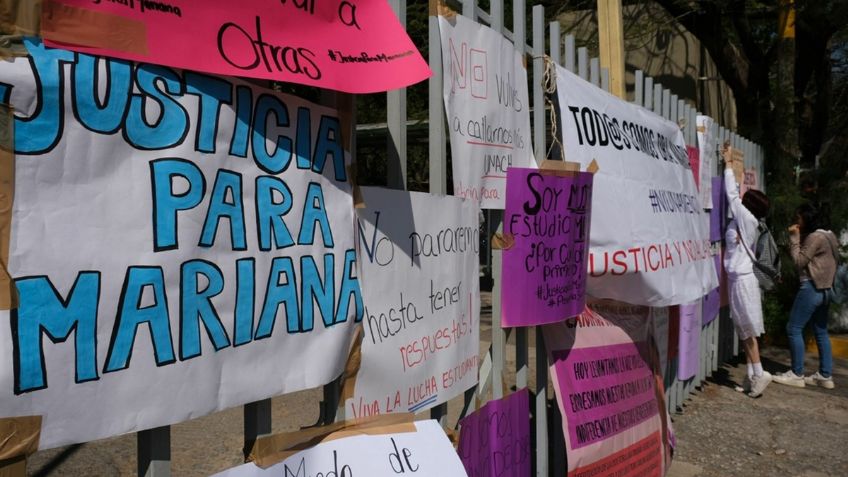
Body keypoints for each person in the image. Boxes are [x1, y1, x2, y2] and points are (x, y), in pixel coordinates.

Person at [773, 204, 838, 389]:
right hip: (826, 290)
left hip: (811, 287)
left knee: (793, 328)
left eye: (799, 217)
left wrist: (794, 238)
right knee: (821, 332)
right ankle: (825, 375)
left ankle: (796, 373)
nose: (797, 221)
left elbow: (799, 262)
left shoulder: (815, 237)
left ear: (807, 218)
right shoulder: (830, 235)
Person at [723, 153, 772, 397]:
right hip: (738, 278)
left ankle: (760, 373)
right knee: (743, 330)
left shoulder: (746, 218)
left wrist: (728, 167)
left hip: (743, 280)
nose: (741, 198)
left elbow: (732, 196)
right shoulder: (749, 219)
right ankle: (754, 376)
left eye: (746, 198)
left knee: (748, 331)